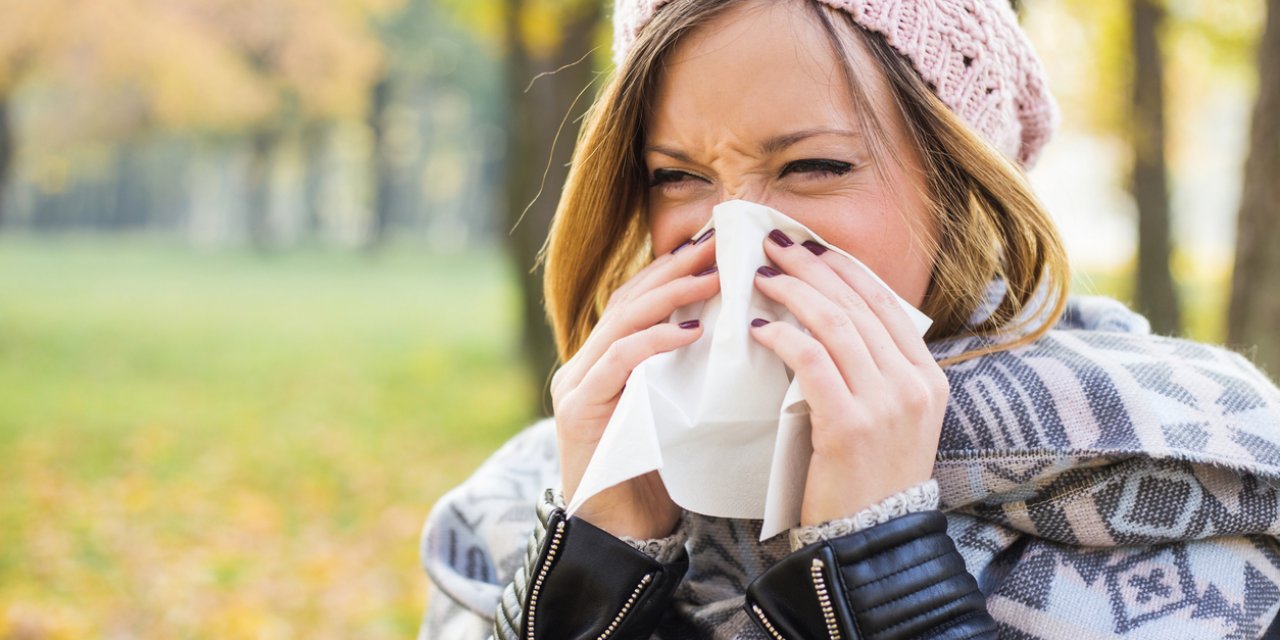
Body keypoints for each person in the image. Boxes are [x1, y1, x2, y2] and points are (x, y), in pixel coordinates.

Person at [419, 0, 1280, 638]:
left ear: (966, 192)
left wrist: (877, 561)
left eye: (814, 165)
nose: (733, 238)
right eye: (676, 176)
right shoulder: (531, 493)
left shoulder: (1192, 468)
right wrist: (593, 569)